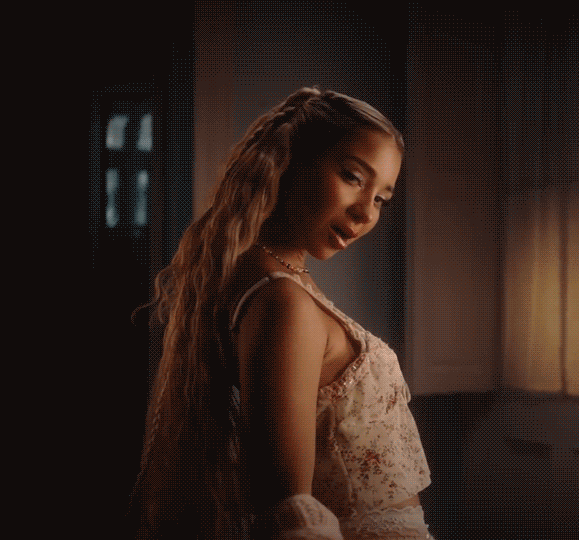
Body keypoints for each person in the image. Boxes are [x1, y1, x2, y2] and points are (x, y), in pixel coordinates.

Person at [128, 87, 432, 540]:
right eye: (353, 177)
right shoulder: (282, 302)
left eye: (381, 199)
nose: (365, 212)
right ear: (290, 162)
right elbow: (290, 514)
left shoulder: (273, 280)